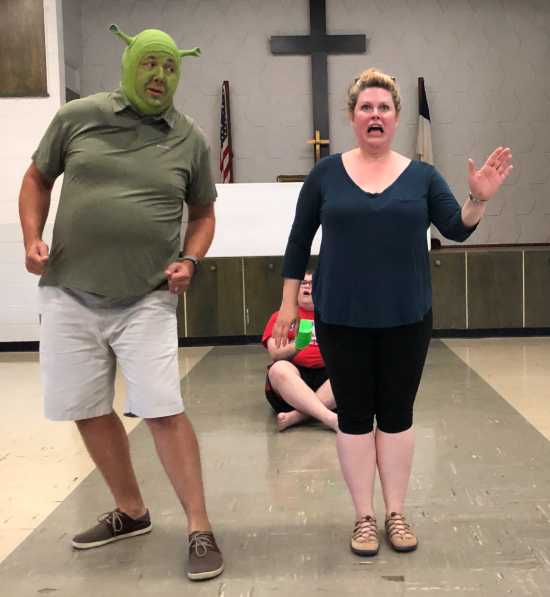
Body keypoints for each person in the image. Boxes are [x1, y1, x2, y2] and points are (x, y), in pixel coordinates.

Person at [272, 68, 512, 558]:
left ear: (396, 117)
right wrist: (287, 305)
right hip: (341, 318)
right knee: (355, 418)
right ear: (353, 117)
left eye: (384, 107)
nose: (375, 114)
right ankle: (364, 517)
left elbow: (456, 227)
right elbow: (298, 241)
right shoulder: (325, 174)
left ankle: (395, 513)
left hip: (407, 317)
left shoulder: (422, 177)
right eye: (366, 107)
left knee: (398, 416)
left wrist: (478, 198)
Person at [18, 25, 224, 581]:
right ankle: (131, 511)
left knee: (162, 409)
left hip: (146, 298)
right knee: (86, 406)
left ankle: (200, 527)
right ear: (131, 64)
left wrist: (191, 259)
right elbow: (36, 179)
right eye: (150, 64)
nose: (160, 76)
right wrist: (31, 236)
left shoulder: (191, 139)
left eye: (171, 68)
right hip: (68, 291)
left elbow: (203, 214)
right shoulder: (77, 117)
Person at [262, 270, 337, 432]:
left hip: (327, 377)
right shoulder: (280, 316)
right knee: (278, 369)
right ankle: (329, 418)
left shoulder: (334, 317)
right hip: (293, 380)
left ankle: (297, 416)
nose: (307, 286)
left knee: (352, 370)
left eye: (312, 283)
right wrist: (298, 345)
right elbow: (275, 353)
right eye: (303, 283)